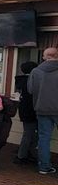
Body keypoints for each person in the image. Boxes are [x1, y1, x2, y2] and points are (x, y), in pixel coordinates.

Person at [28, 47, 58, 175]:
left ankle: (44, 166)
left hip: (42, 108)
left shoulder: (36, 71)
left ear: (45, 57)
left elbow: (30, 90)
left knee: (44, 138)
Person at [14, 61, 38, 165]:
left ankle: (27, 153)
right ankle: (23, 154)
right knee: (30, 134)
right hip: (33, 110)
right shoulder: (34, 81)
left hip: (24, 109)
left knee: (28, 132)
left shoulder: (20, 81)